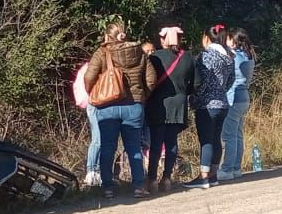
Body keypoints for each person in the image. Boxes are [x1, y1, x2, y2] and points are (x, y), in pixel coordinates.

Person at [85, 21, 158, 199]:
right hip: (134, 106)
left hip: (107, 106)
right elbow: (151, 79)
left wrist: (94, 93)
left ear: (107, 36)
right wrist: (141, 96)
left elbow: (89, 77)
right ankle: (139, 186)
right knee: (134, 146)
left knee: (108, 147)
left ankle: (108, 187)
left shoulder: (102, 53)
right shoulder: (139, 52)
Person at [144, 25, 195, 192]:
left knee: (156, 143)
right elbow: (197, 83)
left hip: (158, 103)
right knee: (172, 142)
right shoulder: (188, 58)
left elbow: (149, 80)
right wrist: (183, 91)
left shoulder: (155, 58)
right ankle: (166, 178)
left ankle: (152, 179)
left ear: (163, 40)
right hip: (179, 104)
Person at [186, 24, 234, 189]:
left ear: (206, 37)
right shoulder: (228, 56)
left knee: (206, 140)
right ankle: (213, 174)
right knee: (216, 139)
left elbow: (202, 81)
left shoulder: (205, 56)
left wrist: (196, 98)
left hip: (207, 104)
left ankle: (204, 176)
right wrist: (221, 91)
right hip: (223, 103)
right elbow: (231, 80)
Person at [218, 28, 255, 180]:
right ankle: (236, 167)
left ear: (234, 41)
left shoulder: (235, 57)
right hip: (244, 97)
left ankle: (227, 169)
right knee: (238, 134)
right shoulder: (249, 56)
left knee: (229, 135)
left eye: (228, 39)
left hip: (233, 97)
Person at [72, 61, 100, 187]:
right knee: (98, 139)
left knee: (100, 139)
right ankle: (91, 171)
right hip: (94, 103)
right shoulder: (93, 66)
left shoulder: (89, 65)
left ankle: (96, 171)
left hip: (94, 102)